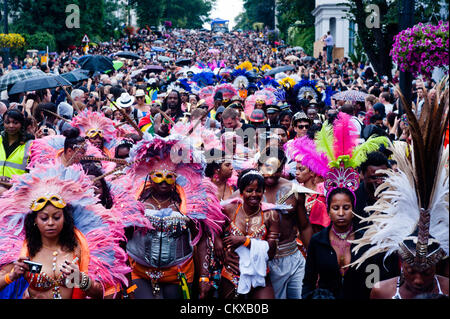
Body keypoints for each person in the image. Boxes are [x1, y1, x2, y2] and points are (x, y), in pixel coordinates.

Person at [349, 86, 449, 299]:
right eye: (412, 271)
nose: (419, 280)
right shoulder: (381, 291)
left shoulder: (446, 288)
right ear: (401, 263)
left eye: (427, 272)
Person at [0, 164, 130, 299]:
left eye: (56, 217)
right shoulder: (24, 250)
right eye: (44, 218)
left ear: (65, 218)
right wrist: (12, 275)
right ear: (35, 221)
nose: (50, 223)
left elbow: (103, 293)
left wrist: (82, 280)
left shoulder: (80, 246)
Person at [121, 133, 226, 299]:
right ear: (149, 176)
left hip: (179, 272)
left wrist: (204, 276)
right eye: (159, 176)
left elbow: (203, 238)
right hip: (139, 271)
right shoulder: (134, 200)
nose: (164, 181)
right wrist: (124, 279)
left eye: (169, 177)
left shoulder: (192, 202)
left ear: (176, 178)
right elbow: (121, 239)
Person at [257, 147, 314, 299]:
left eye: (276, 169)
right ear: (258, 165)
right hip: (264, 262)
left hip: (293, 257)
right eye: (267, 168)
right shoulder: (249, 191)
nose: (271, 173)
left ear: (282, 168)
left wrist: (313, 259)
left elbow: (304, 226)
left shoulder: (293, 190)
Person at [217, 169, 280, 299]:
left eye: (258, 190)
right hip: (232, 271)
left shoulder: (271, 215)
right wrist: (223, 252)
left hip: (260, 272)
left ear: (263, 192)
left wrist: (246, 241)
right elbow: (214, 230)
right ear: (241, 192)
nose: (254, 194)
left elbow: (272, 252)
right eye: (249, 190)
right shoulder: (229, 210)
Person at [0, 109, 34, 179]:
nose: (11, 126)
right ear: (3, 123)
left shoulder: (30, 144)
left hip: (19, 187)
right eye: (7, 122)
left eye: (15, 123)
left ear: (21, 124)